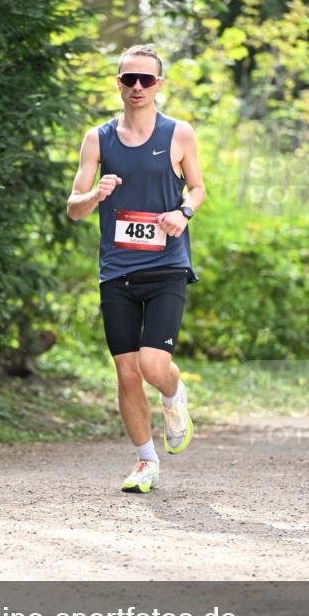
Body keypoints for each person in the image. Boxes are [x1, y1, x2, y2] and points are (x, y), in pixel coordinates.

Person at [66, 45, 206, 492]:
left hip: (166, 266)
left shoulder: (179, 134)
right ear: (119, 83)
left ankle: (173, 392)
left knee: (152, 365)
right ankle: (146, 461)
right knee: (126, 372)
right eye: (130, 79)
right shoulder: (98, 139)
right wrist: (95, 195)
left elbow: (198, 188)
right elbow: (73, 208)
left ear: (159, 84)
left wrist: (183, 212)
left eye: (147, 79)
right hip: (116, 271)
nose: (138, 87)